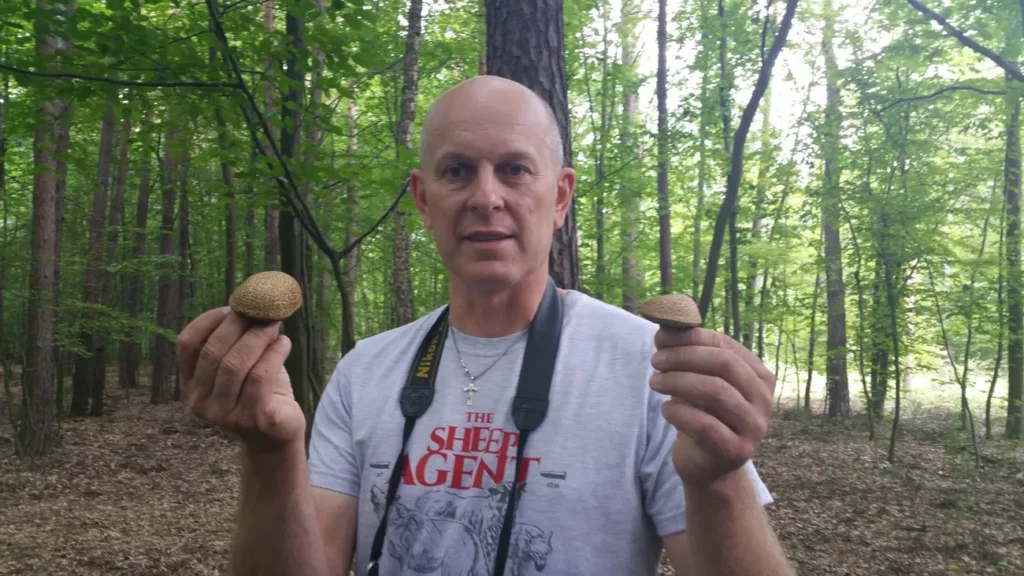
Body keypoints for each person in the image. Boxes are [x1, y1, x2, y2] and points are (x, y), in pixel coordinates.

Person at [176, 75, 794, 576]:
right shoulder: (367, 369)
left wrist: (718, 482)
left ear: (559, 198)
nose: (486, 197)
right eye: (457, 171)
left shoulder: (651, 370)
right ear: (423, 199)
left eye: (516, 170)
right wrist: (270, 452)